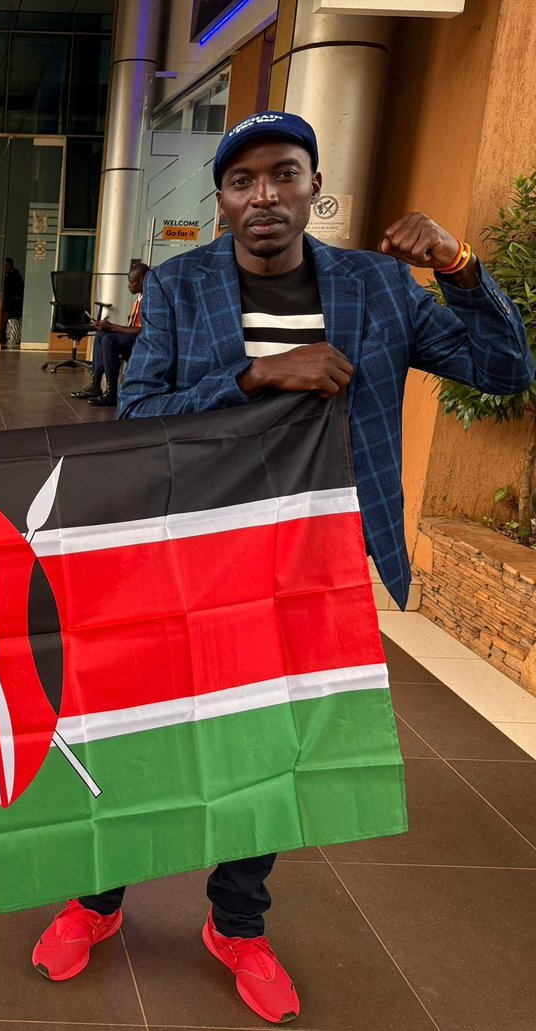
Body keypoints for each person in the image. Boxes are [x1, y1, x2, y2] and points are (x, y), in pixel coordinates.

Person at [32, 111, 533, 1025]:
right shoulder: (182, 288)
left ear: (312, 187)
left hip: (323, 565)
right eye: (243, 180)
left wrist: (458, 268)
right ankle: (98, 898)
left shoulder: (379, 285)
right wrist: (257, 379)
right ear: (220, 201)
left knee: (274, 750)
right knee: (138, 734)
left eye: (284, 174)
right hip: (190, 561)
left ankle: (237, 923)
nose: (264, 194)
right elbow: (139, 418)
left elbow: (506, 369)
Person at [71, 262, 150, 405]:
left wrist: (112, 326)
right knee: (101, 335)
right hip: (134, 338)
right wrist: (108, 327)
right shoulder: (140, 297)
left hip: (143, 341)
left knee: (109, 340)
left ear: (143, 280)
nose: (128, 285)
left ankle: (112, 393)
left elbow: (141, 330)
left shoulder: (149, 299)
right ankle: (95, 386)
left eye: (132, 282)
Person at [2, 257, 25, 348]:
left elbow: (13, 290)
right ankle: (12, 339)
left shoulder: (14, 276)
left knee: (14, 321)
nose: (5, 267)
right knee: (12, 321)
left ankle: (14, 339)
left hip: (15, 302)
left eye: (7, 265)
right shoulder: (9, 275)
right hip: (12, 302)